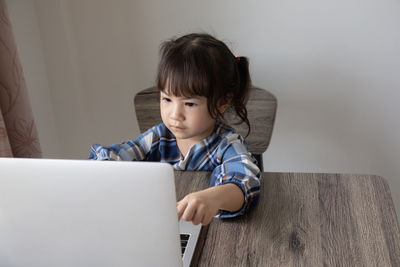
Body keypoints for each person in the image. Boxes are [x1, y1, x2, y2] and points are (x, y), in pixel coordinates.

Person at [89, 33, 261, 226]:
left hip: (214, 233)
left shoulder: (227, 144)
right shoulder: (158, 137)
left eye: (189, 104)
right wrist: (97, 169)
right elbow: (119, 155)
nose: (174, 114)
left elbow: (245, 181)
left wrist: (213, 198)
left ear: (222, 102)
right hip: (160, 225)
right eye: (167, 99)